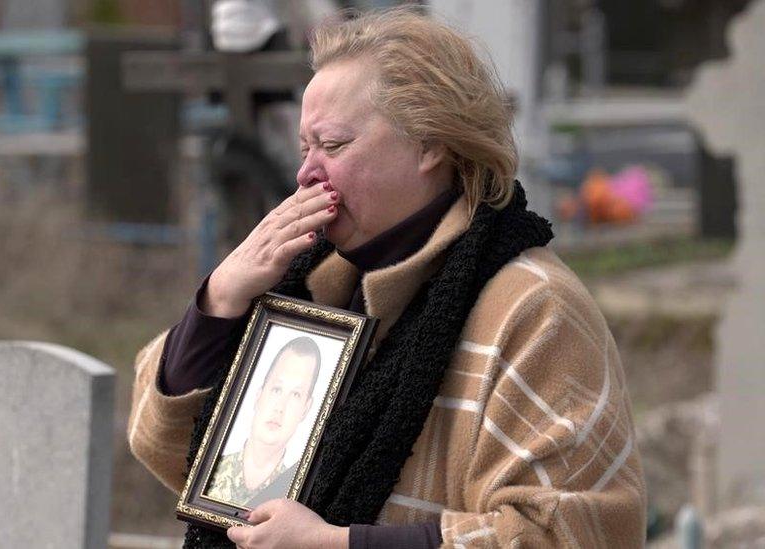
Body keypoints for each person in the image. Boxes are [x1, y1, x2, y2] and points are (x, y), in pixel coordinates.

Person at [128, 7, 646, 549]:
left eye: (333, 146)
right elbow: (181, 461)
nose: (306, 173)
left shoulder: (535, 308)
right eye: (305, 149)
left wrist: (339, 545)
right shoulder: (309, 288)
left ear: (430, 144)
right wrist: (218, 304)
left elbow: (570, 534)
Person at [205, 336, 322, 508]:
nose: (280, 407)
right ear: (259, 395)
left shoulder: (300, 499)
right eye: (277, 389)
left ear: (306, 409)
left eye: (296, 395)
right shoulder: (208, 474)